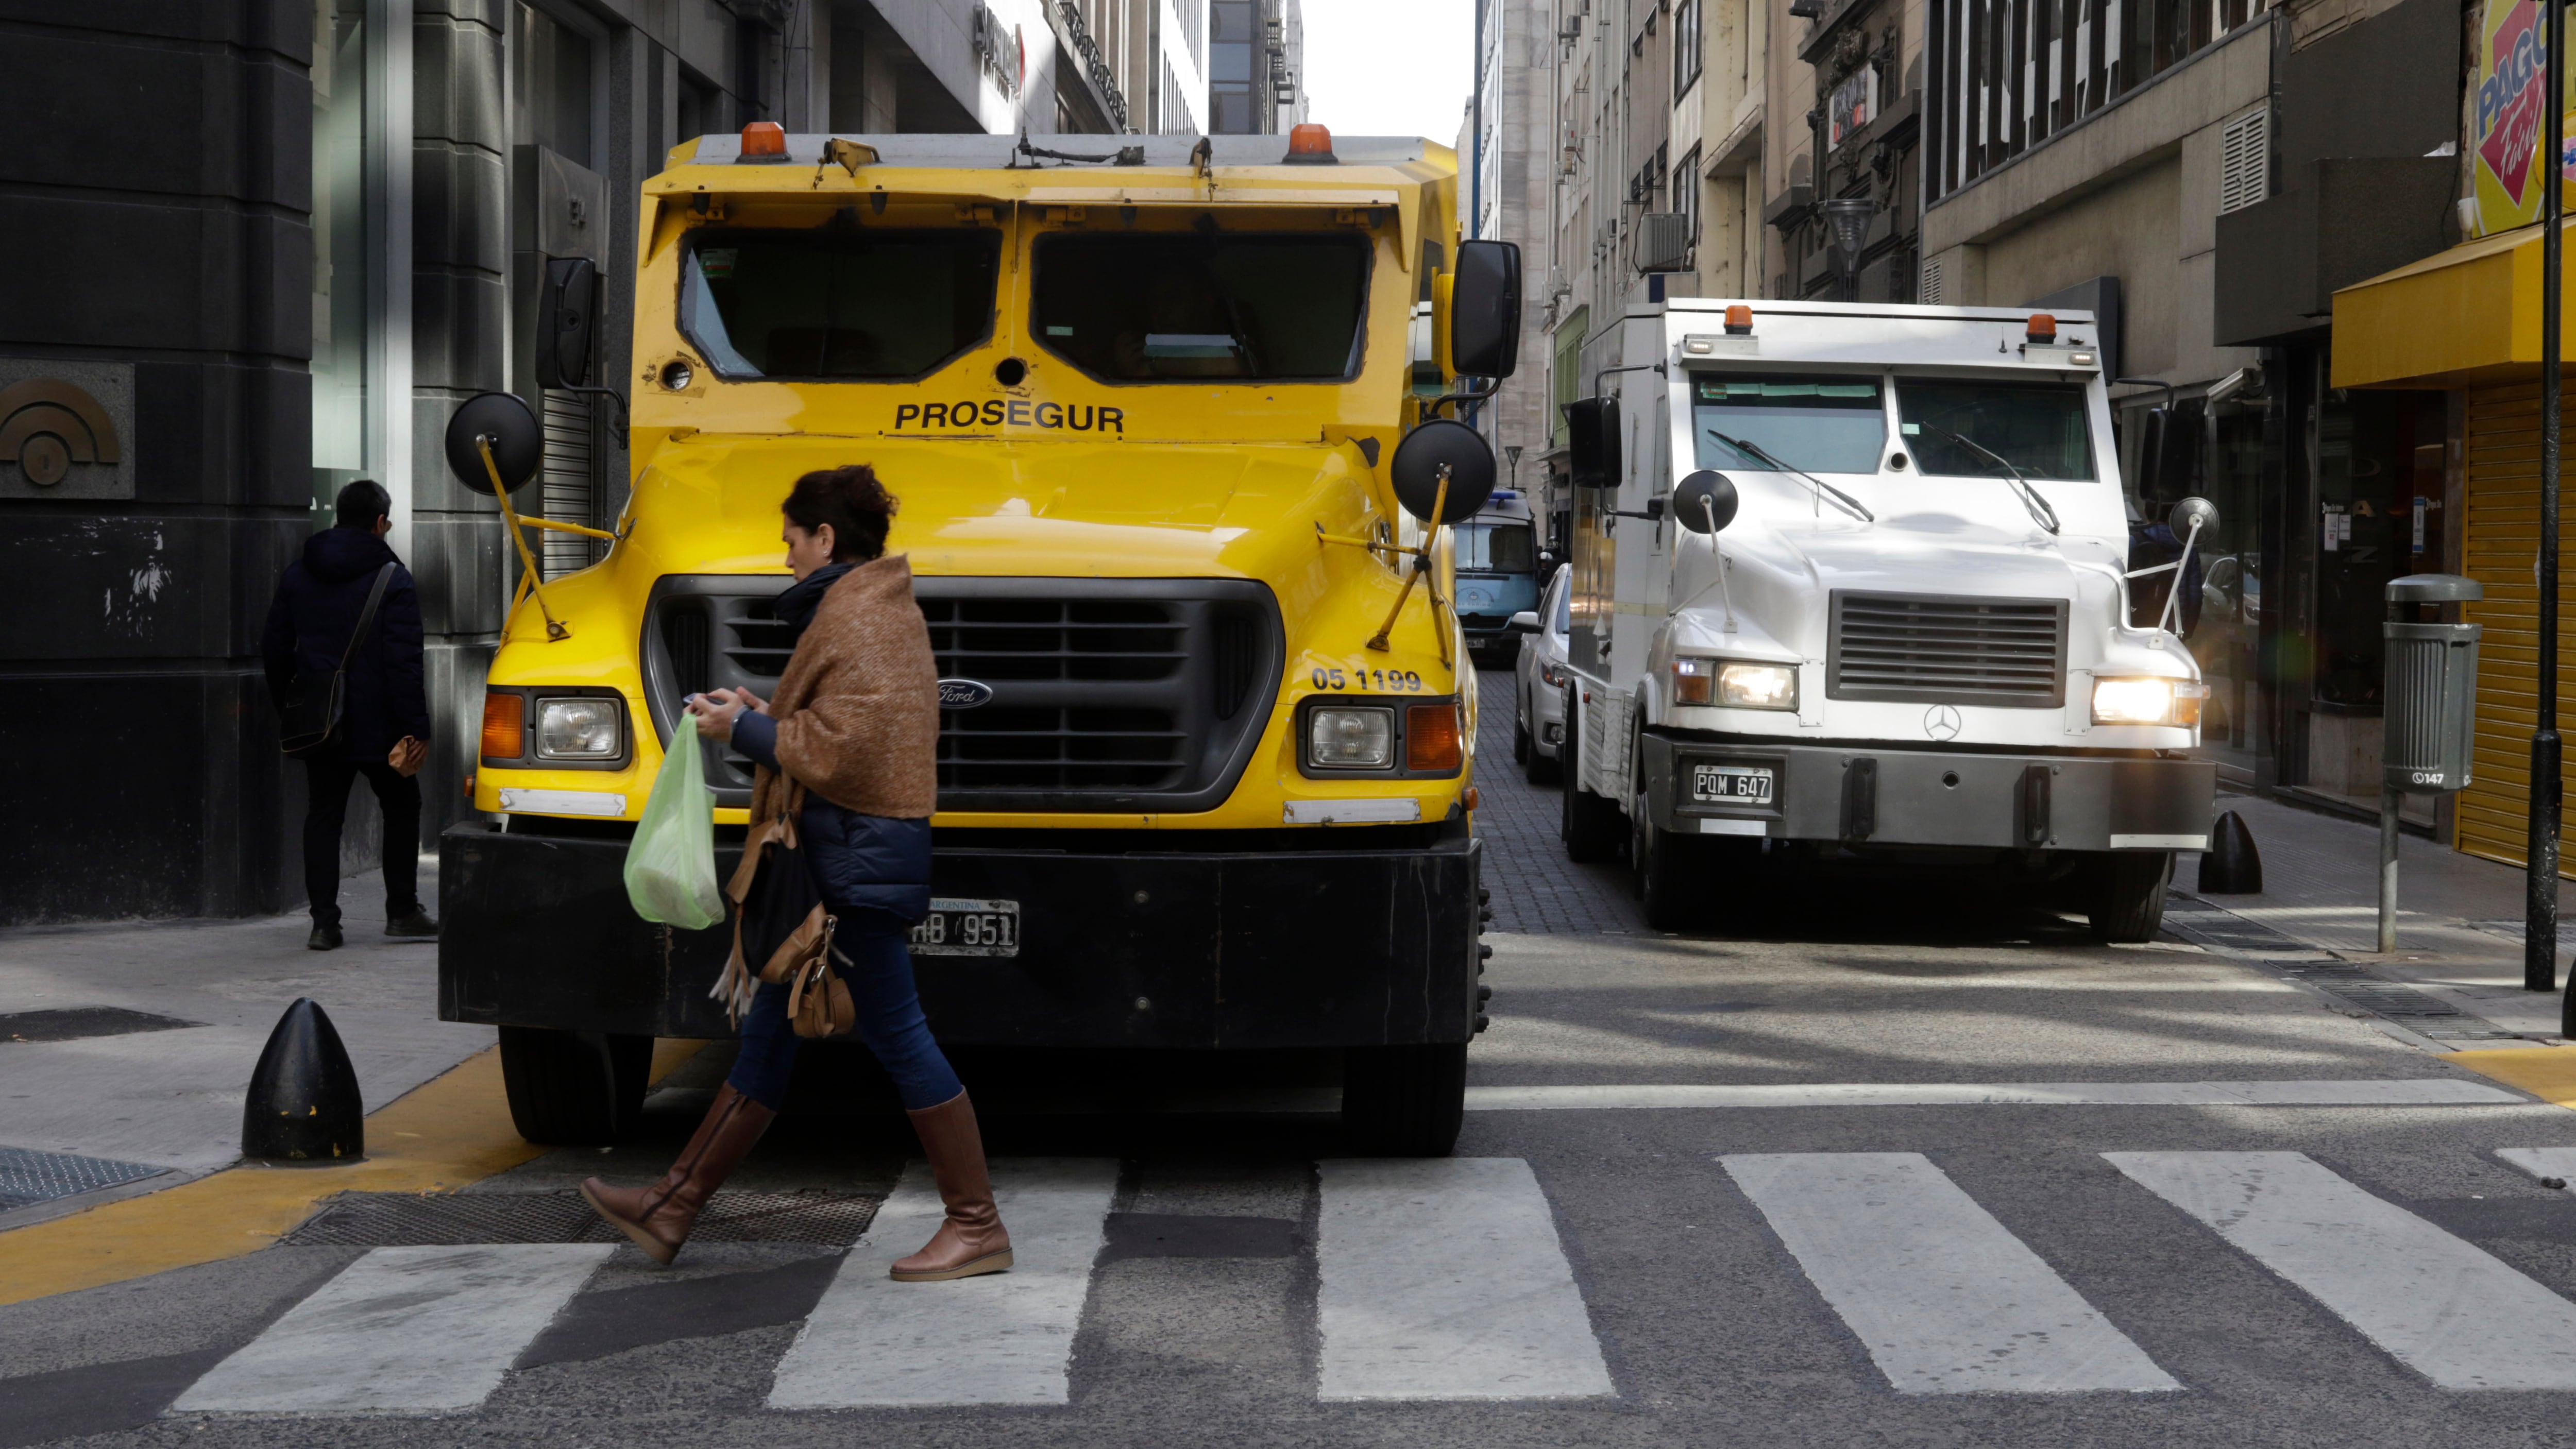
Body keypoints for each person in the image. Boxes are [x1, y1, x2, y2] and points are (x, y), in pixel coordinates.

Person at [581, 465, 1009, 1282]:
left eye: (790, 541)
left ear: (825, 537)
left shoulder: (863, 619)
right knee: (769, 1041)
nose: (785, 559)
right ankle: (673, 1206)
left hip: (855, 868)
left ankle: (976, 1223)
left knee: (900, 1035)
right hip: (841, 861)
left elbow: (841, 752)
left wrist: (742, 730)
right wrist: (759, 716)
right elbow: (840, 727)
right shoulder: (869, 609)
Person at [260, 480, 436, 951]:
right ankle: (402, 911)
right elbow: (404, 663)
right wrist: (415, 729)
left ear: (339, 517)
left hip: (323, 724)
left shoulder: (299, 573)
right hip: (381, 726)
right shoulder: (392, 578)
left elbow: (274, 649)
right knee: (402, 806)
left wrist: (293, 706)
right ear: (381, 523)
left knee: (323, 815)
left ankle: (324, 924)